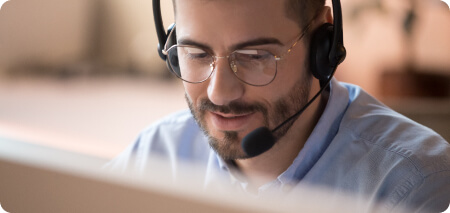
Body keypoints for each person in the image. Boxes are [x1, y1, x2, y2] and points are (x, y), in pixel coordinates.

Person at [107, 0, 450, 212]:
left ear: (324, 46)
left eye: (255, 57)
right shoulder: (154, 154)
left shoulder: (415, 183)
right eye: (196, 54)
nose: (220, 93)